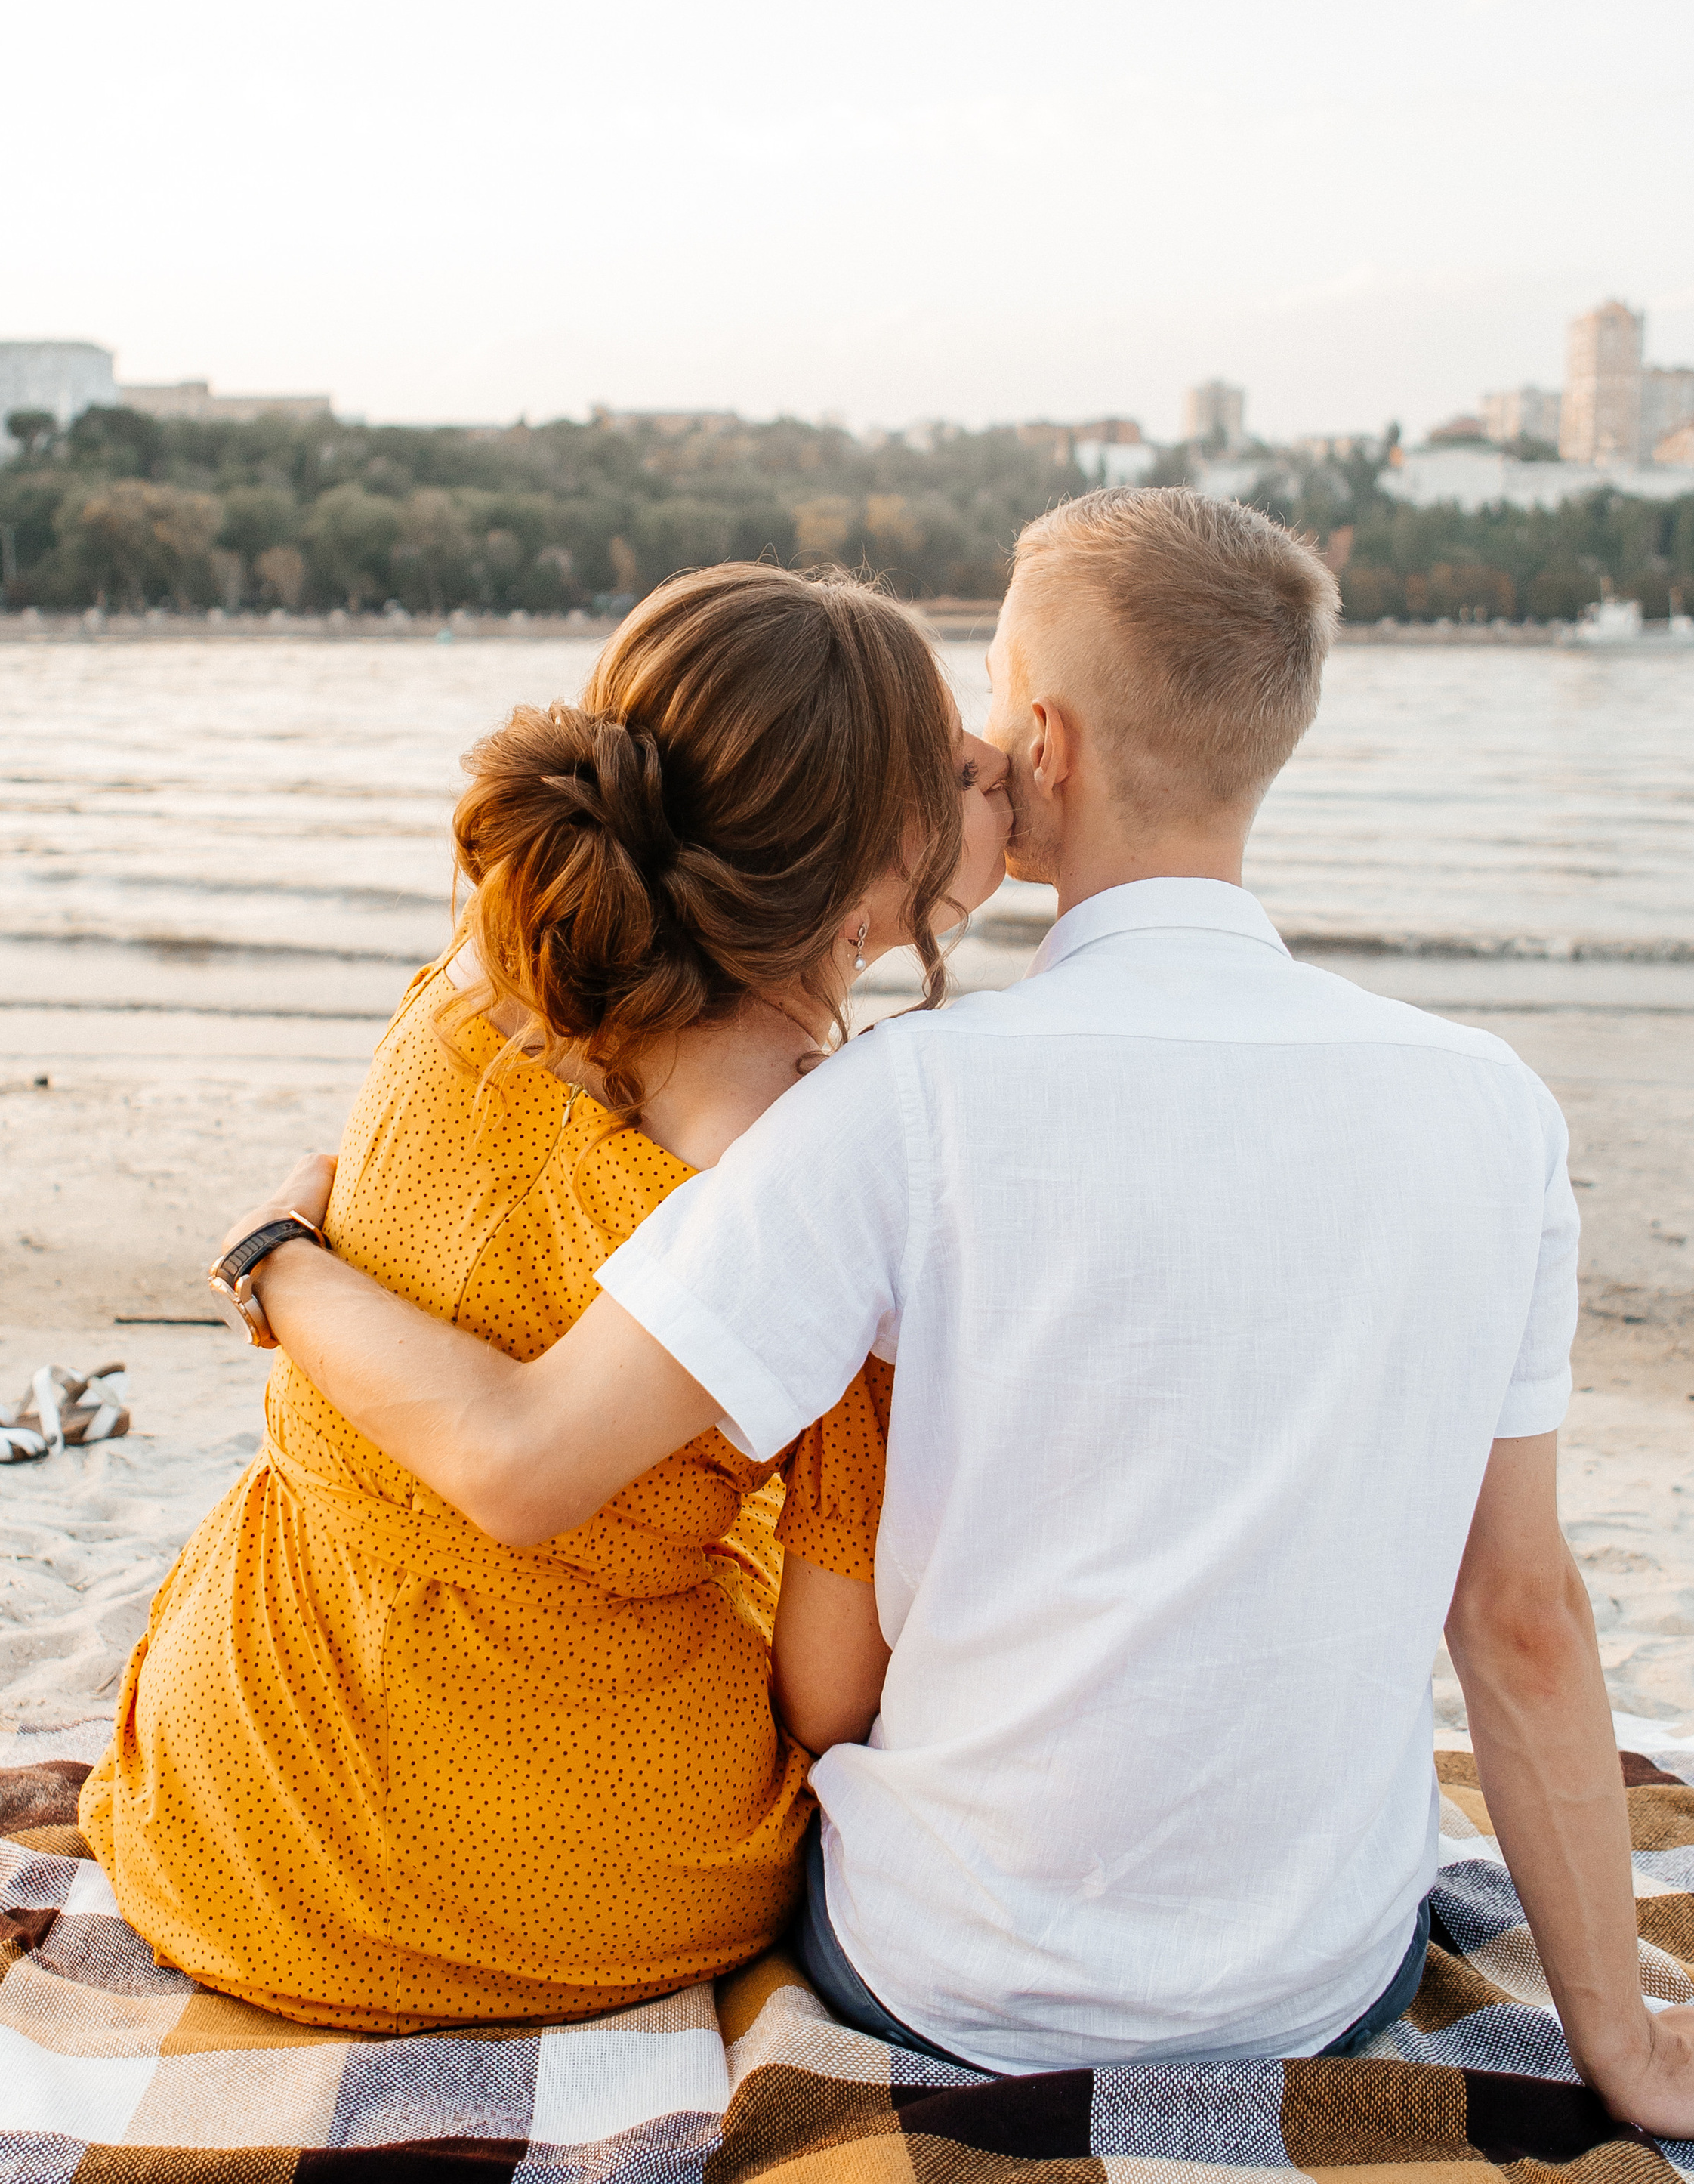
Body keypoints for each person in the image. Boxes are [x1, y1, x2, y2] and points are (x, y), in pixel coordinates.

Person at [230, 490, 1694, 2142]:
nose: (978, 759)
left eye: (993, 713)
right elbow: (1519, 1615)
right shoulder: (1493, 1107)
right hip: (1319, 1979)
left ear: (1049, 746)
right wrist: (1630, 2047)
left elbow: (543, 1467)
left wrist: (283, 1254)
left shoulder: (887, 1108)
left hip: (954, 1981)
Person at [83, 563, 1010, 2031]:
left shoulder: (502, 943)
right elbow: (827, 1697)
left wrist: (278, 1256)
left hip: (236, 1781)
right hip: (558, 1859)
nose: (997, 771)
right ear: (866, 860)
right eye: (954, 767)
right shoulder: (801, 1158)